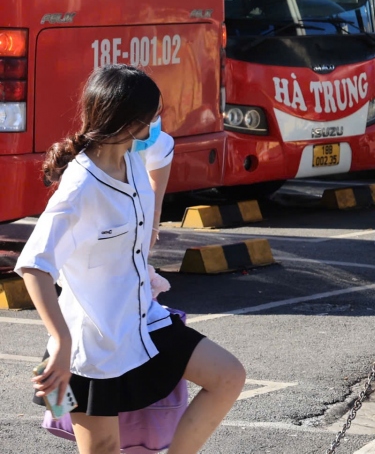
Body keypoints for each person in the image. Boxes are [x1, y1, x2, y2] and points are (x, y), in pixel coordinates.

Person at [17, 65, 245, 453]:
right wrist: (60, 341)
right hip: (93, 343)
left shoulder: (134, 152)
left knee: (229, 376)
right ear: (128, 121)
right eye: (153, 116)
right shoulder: (80, 186)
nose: (159, 124)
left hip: (143, 320)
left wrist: (152, 222)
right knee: (104, 448)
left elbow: (164, 150)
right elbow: (34, 264)